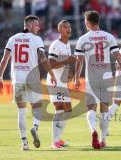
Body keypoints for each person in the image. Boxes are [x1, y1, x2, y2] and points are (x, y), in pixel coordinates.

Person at [74, 10, 121, 149]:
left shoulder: (83, 39)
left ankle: (93, 130)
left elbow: (79, 60)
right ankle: (103, 140)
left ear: (87, 22)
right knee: (104, 109)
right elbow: (119, 57)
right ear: (98, 21)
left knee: (91, 108)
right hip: (107, 76)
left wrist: (76, 78)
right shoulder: (109, 37)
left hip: (92, 77)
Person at [0, 15, 57, 150]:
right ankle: (35, 127)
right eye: (36, 25)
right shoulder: (36, 39)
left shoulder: (13, 39)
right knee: (37, 107)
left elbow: (4, 60)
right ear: (29, 26)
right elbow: (43, 58)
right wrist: (52, 74)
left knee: (21, 111)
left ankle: (24, 143)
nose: (38, 27)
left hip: (17, 79)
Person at [47, 20, 75, 149]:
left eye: (69, 27)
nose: (68, 29)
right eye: (65, 27)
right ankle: (54, 142)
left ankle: (58, 138)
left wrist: (70, 76)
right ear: (59, 30)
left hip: (62, 82)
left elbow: (66, 64)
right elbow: (51, 63)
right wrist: (66, 60)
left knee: (68, 110)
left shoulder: (67, 44)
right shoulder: (55, 44)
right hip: (55, 81)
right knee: (59, 108)